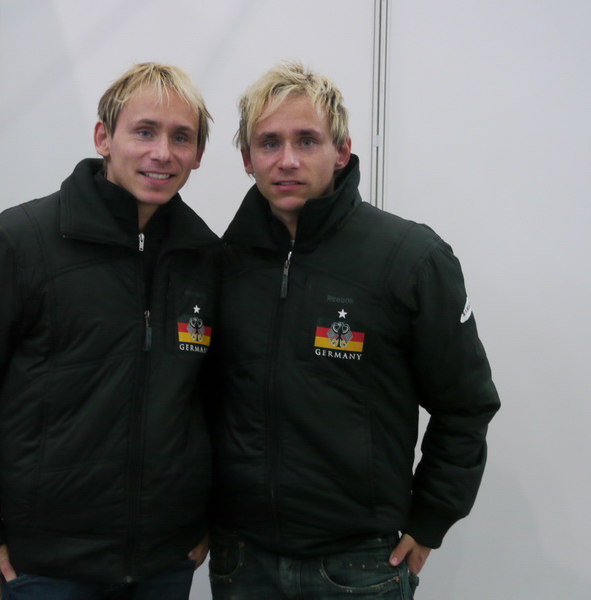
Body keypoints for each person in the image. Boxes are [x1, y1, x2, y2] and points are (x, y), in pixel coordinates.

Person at [0, 62, 219, 600]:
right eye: (144, 132)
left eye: (181, 137)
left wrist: (209, 515)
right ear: (104, 137)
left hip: (165, 562)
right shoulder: (17, 244)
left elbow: (222, 401)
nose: (162, 153)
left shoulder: (206, 259)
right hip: (45, 566)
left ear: (198, 154)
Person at [208, 61, 500, 599]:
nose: (287, 160)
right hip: (242, 561)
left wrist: (431, 519)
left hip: (360, 566)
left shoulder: (410, 258)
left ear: (341, 150)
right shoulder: (222, 264)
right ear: (247, 159)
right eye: (269, 143)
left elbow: (465, 403)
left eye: (307, 140)